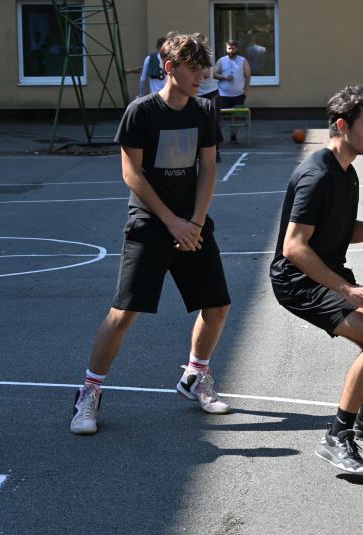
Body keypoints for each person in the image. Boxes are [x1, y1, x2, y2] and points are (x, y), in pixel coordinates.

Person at [71, 33, 230, 435]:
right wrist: (171, 222)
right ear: (170, 68)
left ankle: (195, 377)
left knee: (216, 306)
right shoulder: (141, 112)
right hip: (149, 224)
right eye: (193, 68)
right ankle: (89, 393)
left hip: (191, 224)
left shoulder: (205, 110)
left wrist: (194, 221)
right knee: (124, 312)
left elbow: (208, 169)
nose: (201, 75)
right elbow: (132, 174)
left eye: (203, 68)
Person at [270, 85, 363, 476]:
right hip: (300, 280)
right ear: (342, 126)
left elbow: (343, 230)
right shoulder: (317, 175)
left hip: (327, 275)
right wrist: (346, 289)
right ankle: (337, 436)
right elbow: (293, 246)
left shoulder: (346, 172)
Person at [214, 40, 251, 144]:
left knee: (236, 116)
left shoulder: (243, 60)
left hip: (238, 94)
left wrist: (245, 93)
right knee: (220, 116)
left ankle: (233, 137)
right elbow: (214, 74)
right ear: (226, 49)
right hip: (223, 94)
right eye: (229, 48)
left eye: (233, 48)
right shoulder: (222, 60)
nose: (231, 50)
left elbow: (248, 77)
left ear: (237, 49)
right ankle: (218, 137)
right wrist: (224, 77)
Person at [193, 33, 221, 162]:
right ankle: (199, 150)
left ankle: (215, 150)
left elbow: (206, 74)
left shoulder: (205, 55)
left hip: (210, 92)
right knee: (198, 122)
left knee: (212, 121)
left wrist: (192, 70)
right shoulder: (194, 55)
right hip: (198, 92)